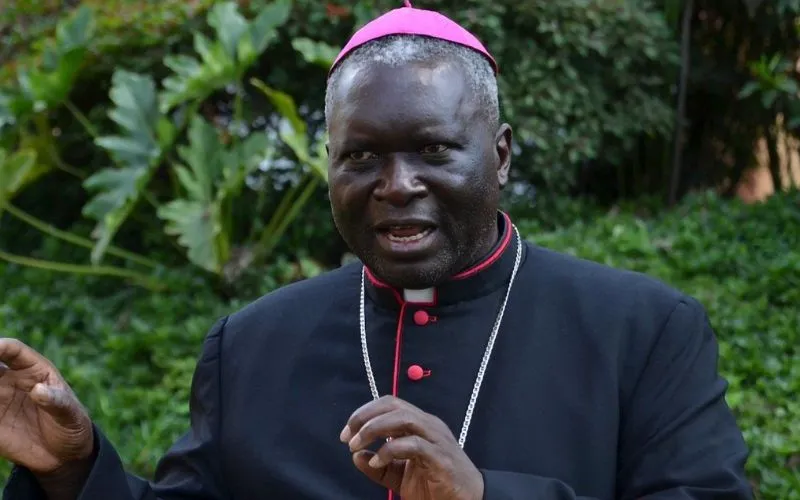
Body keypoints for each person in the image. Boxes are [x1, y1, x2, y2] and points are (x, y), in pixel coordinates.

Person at [1, 2, 753, 499]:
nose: (396, 185)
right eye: (360, 157)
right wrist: (74, 468)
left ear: (500, 156)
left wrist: (484, 495)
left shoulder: (645, 331)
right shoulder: (250, 345)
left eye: (433, 150)